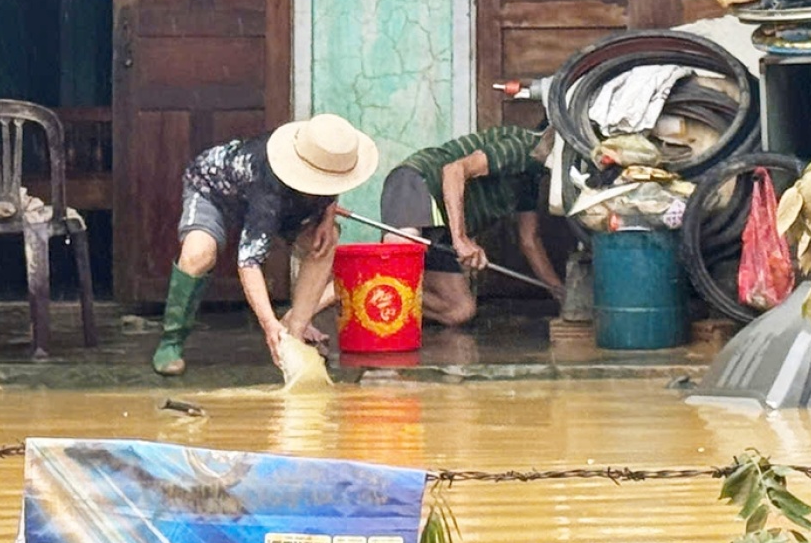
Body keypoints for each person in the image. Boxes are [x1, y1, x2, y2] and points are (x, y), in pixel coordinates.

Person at [153, 112, 378, 377]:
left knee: (325, 241)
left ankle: (294, 335)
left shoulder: (325, 159)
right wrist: (269, 324)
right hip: (213, 190)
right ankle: (171, 340)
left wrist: (327, 220)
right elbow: (249, 262)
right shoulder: (268, 189)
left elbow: (333, 183)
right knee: (198, 255)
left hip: (284, 199)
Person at [381, 123, 563, 327]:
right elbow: (453, 170)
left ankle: (371, 293)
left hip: (443, 227)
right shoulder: (523, 148)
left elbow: (529, 240)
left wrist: (560, 292)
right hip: (418, 184)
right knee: (399, 269)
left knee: (460, 310)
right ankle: (365, 288)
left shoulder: (533, 175)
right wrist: (461, 239)